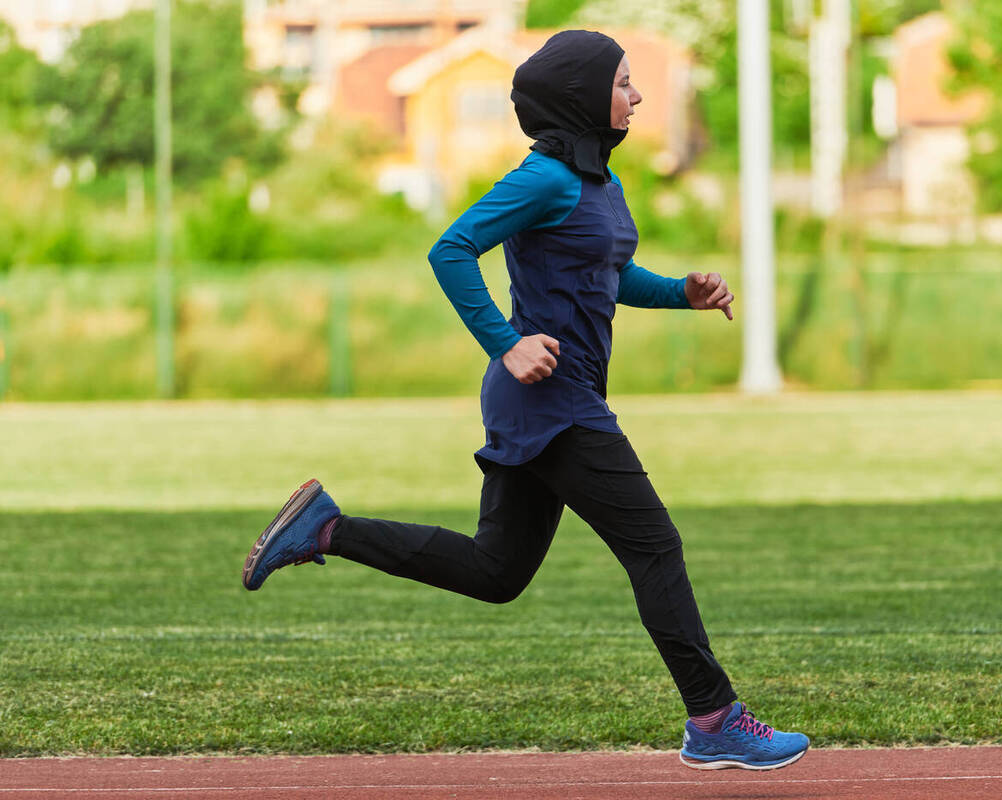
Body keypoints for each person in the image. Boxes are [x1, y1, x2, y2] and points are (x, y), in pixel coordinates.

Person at [242, 29, 809, 771]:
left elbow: (610, 276)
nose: (637, 95)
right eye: (623, 83)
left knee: (497, 573)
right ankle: (714, 718)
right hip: (549, 402)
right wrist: (505, 340)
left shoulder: (600, 183)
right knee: (655, 546)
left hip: (546, 403)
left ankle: (326, 530)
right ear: (581, 97)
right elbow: (450, 248)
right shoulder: (544, 178)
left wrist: (681, 294)